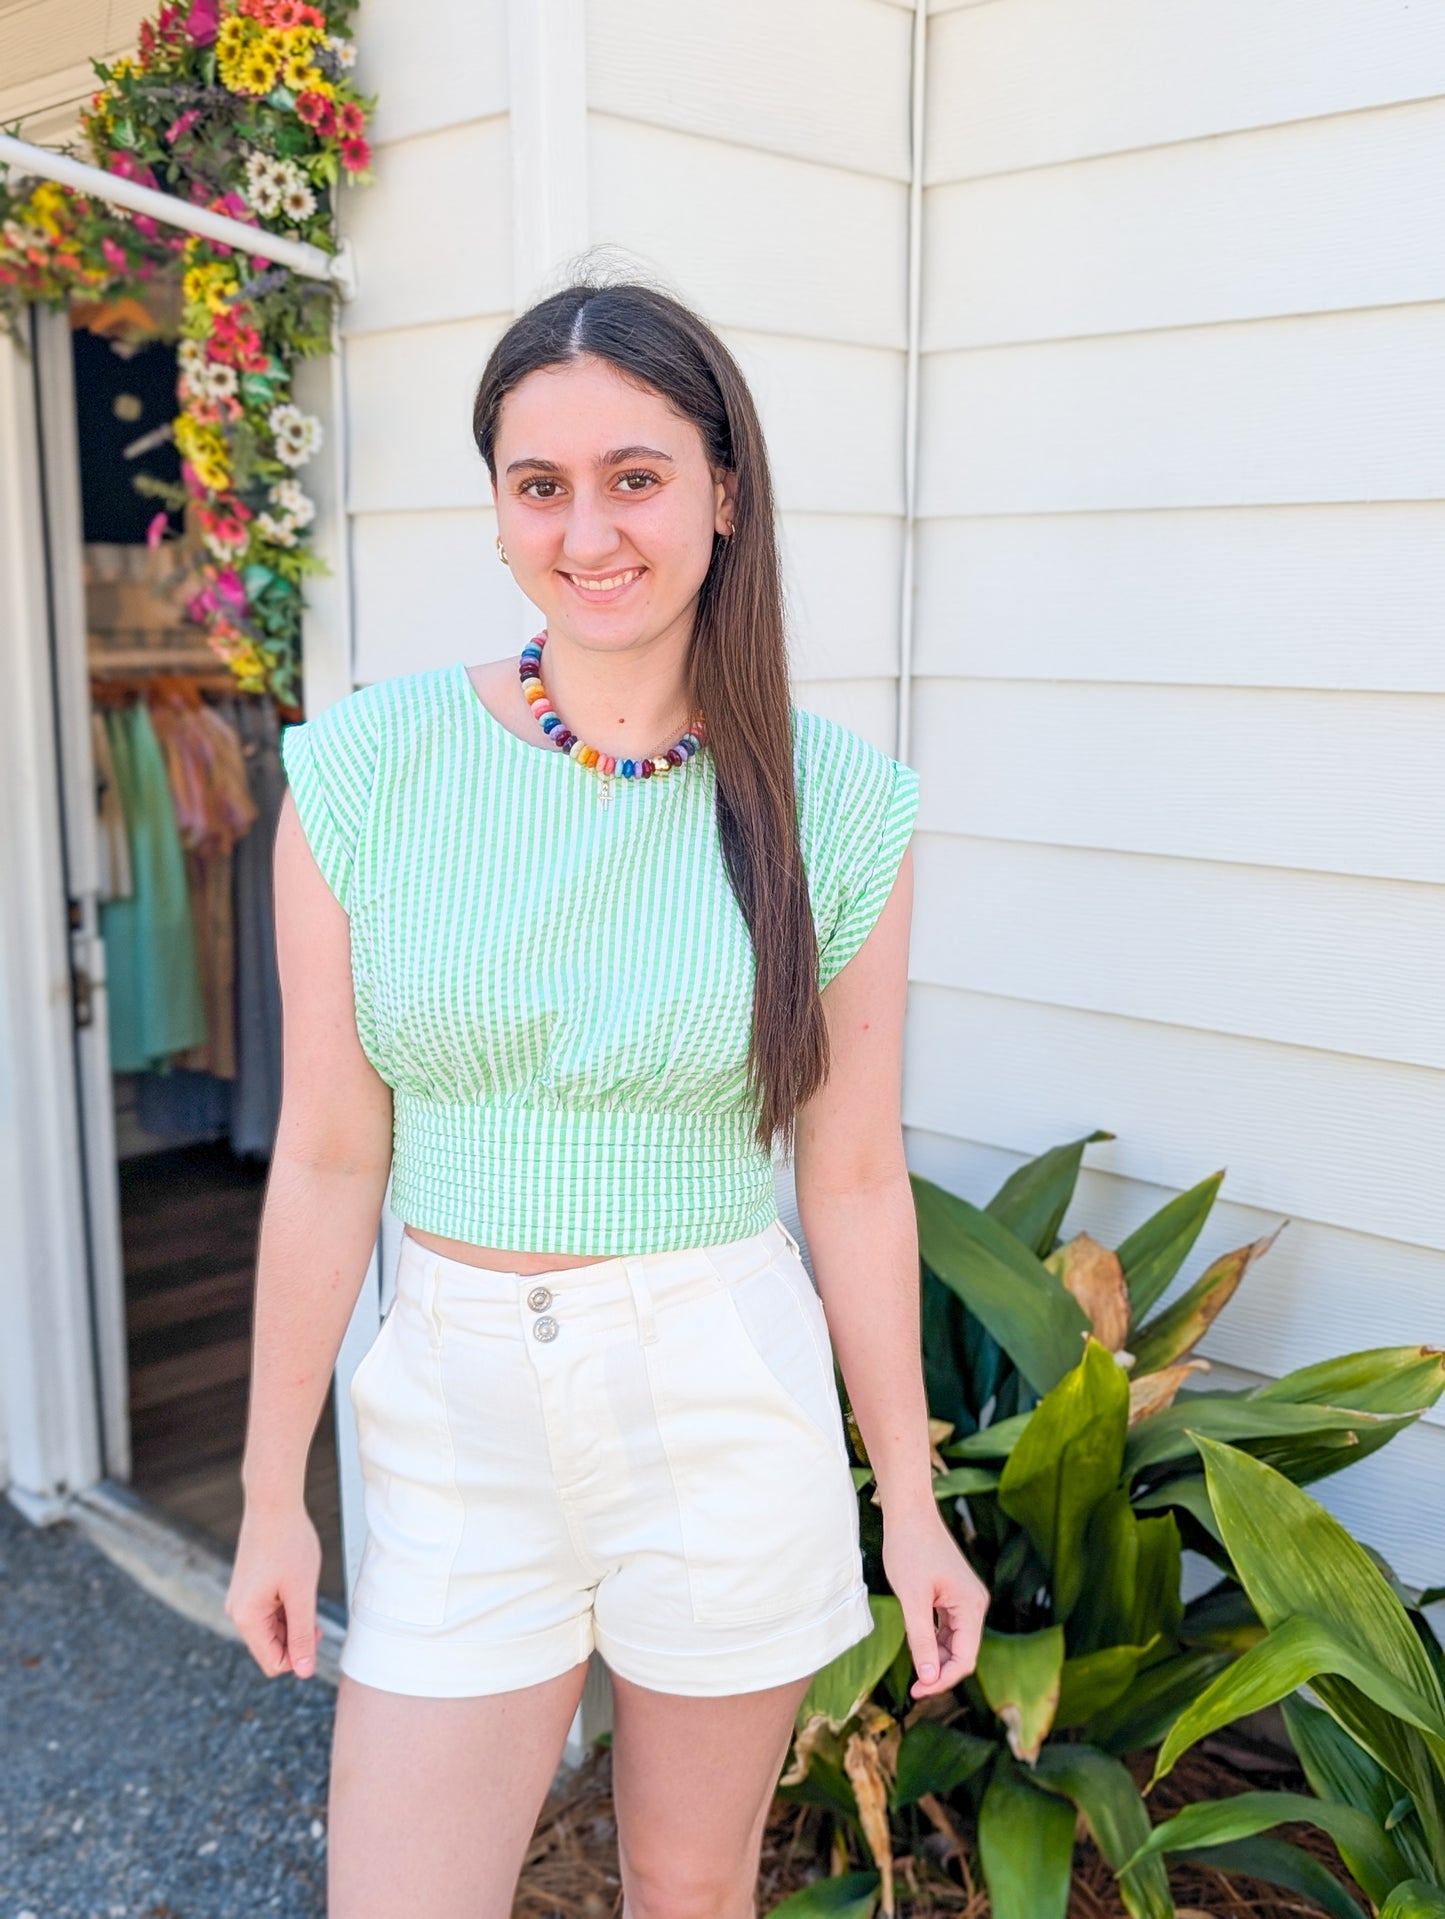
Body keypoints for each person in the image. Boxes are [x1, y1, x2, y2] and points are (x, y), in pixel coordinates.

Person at [225, 274, 989, 1919]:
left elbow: (853, 1175)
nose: (587, 533)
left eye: (634, 477)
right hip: (449, 1412)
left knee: (687, 1892)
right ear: (499, 508)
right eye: (539, 484)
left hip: (720, 1393)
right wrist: (271, 1491)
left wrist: (912, 1511)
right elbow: (331, 1153)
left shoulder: (839, 806)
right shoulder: (363, 771)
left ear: (722, 493)